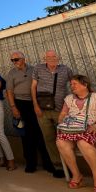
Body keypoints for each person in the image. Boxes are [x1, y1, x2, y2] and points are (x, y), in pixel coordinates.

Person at [56, 75, 96, 192]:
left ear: (85, 85)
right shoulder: (69, 98)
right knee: (61, 141)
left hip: (93, 129)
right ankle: (77, 176)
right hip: (72, 130)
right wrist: (63, 123)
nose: (72, 86)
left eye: (74, 84)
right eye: (71, 84)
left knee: (83, 142)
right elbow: (63, 114)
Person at [7, 51, 55, 174]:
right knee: (27, 135)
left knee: (41, 132)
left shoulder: (34, 69)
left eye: (16, 59)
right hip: (21, 104)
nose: (14, 62)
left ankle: (48, 163)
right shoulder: (11, 73)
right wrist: (13, 107)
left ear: (24, 59)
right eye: (12, 60)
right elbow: (9, 92)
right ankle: (30, 163)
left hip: (36, 103)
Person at [31, 50, 73, 178]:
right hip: (42, 110)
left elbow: (73, 85)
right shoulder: (38, 68)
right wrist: (35, 105)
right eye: (48, 57)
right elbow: (33, 87)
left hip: (60, 110)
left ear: (58, 57)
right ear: (44, 58)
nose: (51, 59)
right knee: (49, 139)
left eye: (54, 56)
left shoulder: (66, 69)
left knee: (64, 138)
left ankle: (71, 166)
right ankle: (58, 167)